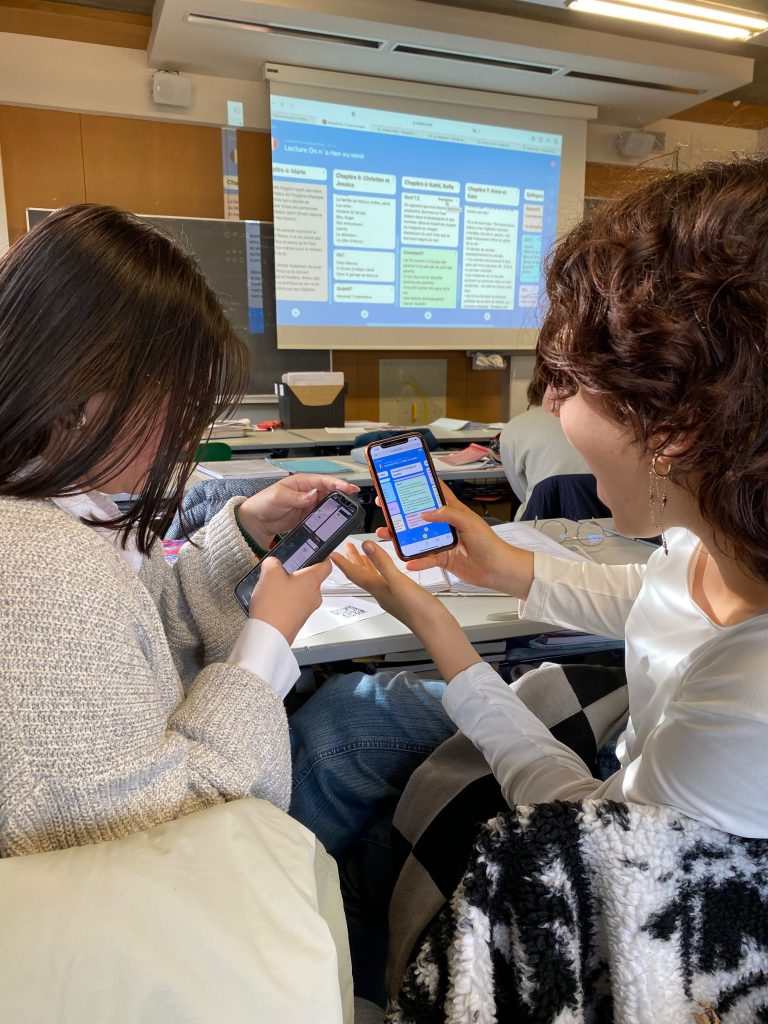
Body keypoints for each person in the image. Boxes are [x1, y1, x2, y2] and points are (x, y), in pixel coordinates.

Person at [288, 156, 768, 999]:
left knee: (345, 753)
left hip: (617, 864)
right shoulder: (719, 532)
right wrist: (503, 566)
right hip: (627, 752)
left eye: (571, 384)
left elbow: (587, 833)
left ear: (679, 427)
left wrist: (439, 635)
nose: (548, 406)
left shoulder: (750, 704)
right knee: (347, 725)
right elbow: (662, 599)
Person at [0, 203, 358, 857]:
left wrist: (244, 529)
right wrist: (267, 639)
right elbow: (165, 831)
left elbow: (142, 630)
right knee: (378, 720)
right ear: (83, 389)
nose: (190, 432)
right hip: (184, 872)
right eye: (182, 402)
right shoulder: (42, 572)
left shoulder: (63, 507)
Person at [499, 364, 589, 518]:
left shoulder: (515, 428)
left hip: (538, 522)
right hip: (606, 523)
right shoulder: (609, 426)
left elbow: (521, 490)